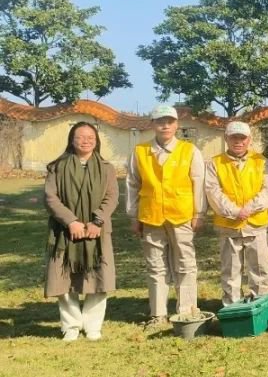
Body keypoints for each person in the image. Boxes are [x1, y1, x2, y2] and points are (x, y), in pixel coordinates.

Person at [127, 104, 206, 325]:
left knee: (186, 263)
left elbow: (199, 183)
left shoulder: (190, 150)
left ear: (177, 124)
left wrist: (199, 213)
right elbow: (132, 184)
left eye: (170, 121)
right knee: (155, 265)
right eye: (160, 122)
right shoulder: (140, 151)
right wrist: (133, 216)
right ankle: (158, 313)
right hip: (151, 215)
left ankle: (187, 310)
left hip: (182, 215)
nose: (165, 126)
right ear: (152, 124)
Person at [44, 122, 119, 341]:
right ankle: (71, 325)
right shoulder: (57, 167)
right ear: (71, 139)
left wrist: (97, 221)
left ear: (96, 141)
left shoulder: (107, 168)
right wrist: (71, 221)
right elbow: (50, 197)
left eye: (90, 137)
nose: (86, 141)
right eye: (80, 137)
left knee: (98, 277)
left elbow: (112, 197)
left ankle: (93, 325)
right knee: (63, 277)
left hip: (97, 231)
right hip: (65, 232)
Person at [205, 121, 268, 306]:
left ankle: (260, 306)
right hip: (229, 225)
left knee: (260, 270)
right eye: (234, 138)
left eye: (242, 138)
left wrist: (249, 209)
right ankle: (232, 307)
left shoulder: (261, 161)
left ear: (249, 139)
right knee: (230, 271)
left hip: (256, 225)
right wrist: (235, 211)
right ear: (226, 139)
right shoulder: (214, 163)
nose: (238, 142)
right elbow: (213, 192)